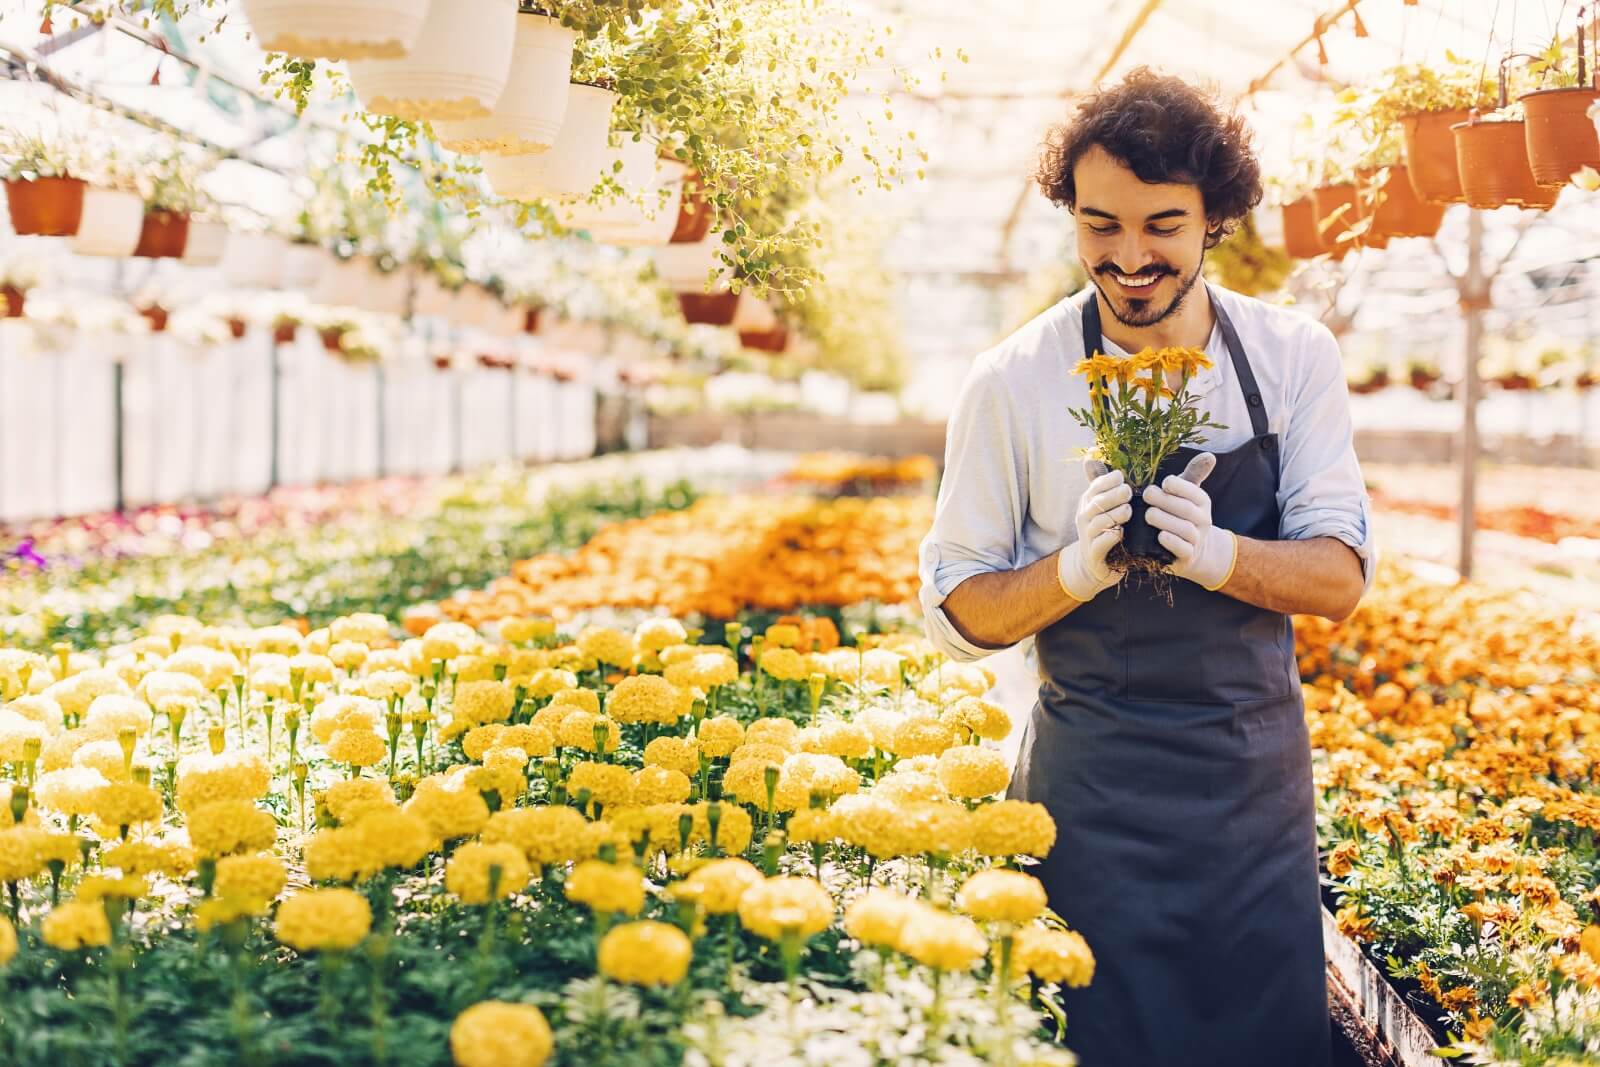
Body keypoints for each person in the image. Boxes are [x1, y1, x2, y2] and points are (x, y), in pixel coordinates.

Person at [917, 68, 1376, 1067]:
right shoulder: (1014, 380)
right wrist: (1069, 573)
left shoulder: (1293, 356)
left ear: (1215, 217)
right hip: (1091, 795)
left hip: (1249, 788)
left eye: (1162, 224)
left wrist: (1220, 554)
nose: (1128, 258)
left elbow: (1338, 577)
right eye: (1099, 226)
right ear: (1070, 216)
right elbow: (958, 611)